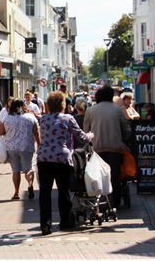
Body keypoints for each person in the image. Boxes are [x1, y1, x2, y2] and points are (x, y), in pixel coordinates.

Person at [37, 92, 94, 235]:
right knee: (64, 191)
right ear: (63, 104)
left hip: (43, 158)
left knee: (45, 192)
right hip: (61, 158)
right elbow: (81, 136)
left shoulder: (43, 119)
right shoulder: (68, 118)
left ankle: (45, 224)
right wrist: (91, 135)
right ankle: (65, 221)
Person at [83, 85, 131, 210]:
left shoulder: (90, 111)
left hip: (97, 149)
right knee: (115, 175)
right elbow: (126, 130)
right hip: (115, 148)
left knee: (99, 176)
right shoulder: (118, 110)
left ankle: (101, 201)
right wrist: (124, 140)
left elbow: (85, 131)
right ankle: (115, 202)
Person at [0, 99, 40, 200]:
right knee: (28, 169)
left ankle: (16, 193)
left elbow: (0, 132)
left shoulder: (7, 118)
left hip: (11, 147)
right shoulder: (30, 117)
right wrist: (39, 145)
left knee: (16, 171)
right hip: (27, 146)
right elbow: (36, 133)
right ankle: (30, 183)